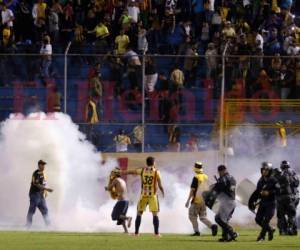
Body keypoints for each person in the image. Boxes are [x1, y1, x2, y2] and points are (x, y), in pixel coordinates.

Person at [121, 156, 164, 236]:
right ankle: (156, 233)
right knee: (155, 214)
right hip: (152, 195)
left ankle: (136, 233)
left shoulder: (142, 170)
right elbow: (160, 185)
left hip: (143, 195)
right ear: (153, 163)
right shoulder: (156, 172)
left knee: (139, 213)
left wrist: (123, 172)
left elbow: (132, 172)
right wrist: (163, 192)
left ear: (147, 163)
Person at [185, 162, 218, 236]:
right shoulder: (205, 176)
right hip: (204, 200)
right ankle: (212, 226)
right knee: (203, 217)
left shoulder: (196, 177)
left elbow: (192, 190)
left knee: (192, 216)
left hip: (196, 200)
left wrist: (188, 201)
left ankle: (197, 232)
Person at [249, 162, 277, 242]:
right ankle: (270, 229)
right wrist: (252, 202)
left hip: (271, 203)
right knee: (258, 219)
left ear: (270, 171)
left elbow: (279, 190)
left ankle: (262, 236)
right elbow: (257, 192)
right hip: (263, 203)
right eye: (263, 169)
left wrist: (269, 192)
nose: (264, 171)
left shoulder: (273, 180)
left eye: (266, 170)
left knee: (266, 220)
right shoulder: (260, 181)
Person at [213, 165, 238, 242]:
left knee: (218, 218)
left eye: (219, 172)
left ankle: (231, 231)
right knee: (224, 220)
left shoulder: (223, 178)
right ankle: (226, 237)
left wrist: (215, 186)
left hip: (226, 202)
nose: (219, 173)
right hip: (232, 201)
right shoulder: (232, 178)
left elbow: (218, 188)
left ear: (221, 171)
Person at [26, 160, 53, 228]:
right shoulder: (36, 173)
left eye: (44, 164)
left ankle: (49, 227)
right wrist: (47, 189)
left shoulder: (43, 174)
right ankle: (28, 226)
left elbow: (43, 184)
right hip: (34, 194)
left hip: (41, 196)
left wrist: (45, 193)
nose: (43, 166)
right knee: (32, 210)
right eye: (42, 164)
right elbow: (37, 184)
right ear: (39, 165)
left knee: (45, 211)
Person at [105, 168, 132, 233]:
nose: (111, 174)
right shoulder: (122, 180)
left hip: (121, 201)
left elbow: (109, 188)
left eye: (113, 173)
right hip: (126, 201)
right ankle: (126, 231)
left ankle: (128, 218)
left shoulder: (116, 180)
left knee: (114, 216)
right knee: (121, 217)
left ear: (115, 174)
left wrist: (106, 188)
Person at [276, 160, 299, 235]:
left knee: (281, 214)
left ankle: (284, 230)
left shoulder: (281, 174)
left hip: (283, 197)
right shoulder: (294, 173)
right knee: (292, 214)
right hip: (294, 197)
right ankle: (293, 229)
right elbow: (296, 184)